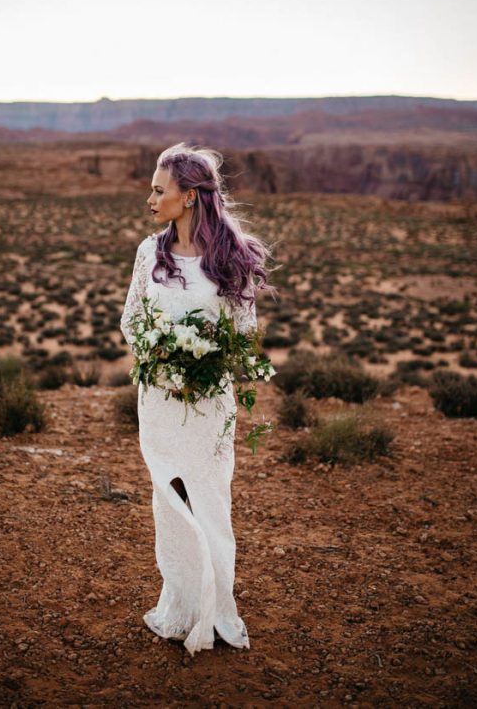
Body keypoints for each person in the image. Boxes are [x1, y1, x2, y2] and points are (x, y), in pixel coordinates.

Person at [120, 142, 274, 656]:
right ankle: (181, 606)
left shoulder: (228, 256)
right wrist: (161, 359)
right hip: (160, 400)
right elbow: (131, 321)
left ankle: (216, 610)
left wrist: (205, 364)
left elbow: (243, 331)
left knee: (209, 501)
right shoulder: (150, 253)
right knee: (169, 501)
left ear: (188, 197)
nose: (151, 198)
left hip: (210, 403)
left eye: (159, 190)